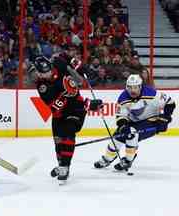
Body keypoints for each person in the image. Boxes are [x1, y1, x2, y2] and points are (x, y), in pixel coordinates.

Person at [29, 55, 103, 184]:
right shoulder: (42, 86)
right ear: (38, 73)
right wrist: (66, 94)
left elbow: (70, 59)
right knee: (58, 143)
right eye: (43, 73)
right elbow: (54, 106)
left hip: (76, 110)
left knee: (68, 132)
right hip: (59, 114)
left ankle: (64, 166)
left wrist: (80, 66)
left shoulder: (58, 63)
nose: (47, 74)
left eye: (49, 71)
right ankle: (62, 164)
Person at [94, 74, 176, 171]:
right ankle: (107, 158)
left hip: (151, 120)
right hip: (133, 121)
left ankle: (128, 160)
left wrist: (165, 118)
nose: (132, 90)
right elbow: (121, 116)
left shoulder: (152, 93)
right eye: (129, 87)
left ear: (140, 86)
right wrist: (123, 126)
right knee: (117, 136)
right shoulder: (123, 98)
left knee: (132, 134)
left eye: (135, 87)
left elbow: (170, 103)